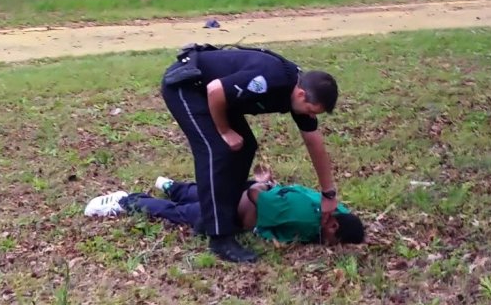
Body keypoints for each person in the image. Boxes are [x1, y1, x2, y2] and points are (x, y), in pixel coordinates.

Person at [159, 44, 341, 262]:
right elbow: (215, 90)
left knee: (245, 147)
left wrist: (328, 193)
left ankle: (214, 217)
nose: (311, 116)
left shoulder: (299, 95)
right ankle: (220, 238)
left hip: (220, 97)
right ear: (302, 94)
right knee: (216, 150)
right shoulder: (271, 79)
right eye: (311, 111)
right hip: (188, 87)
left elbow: (314, 142)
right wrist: (225, 131)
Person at [84, 176, 365, 247]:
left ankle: (172, 185)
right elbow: (257, 197)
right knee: (182, 213)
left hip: (237, 192)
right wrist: (262, 186)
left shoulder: (336, 207)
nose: (329, 245)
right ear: (333, 227)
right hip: (234, 211)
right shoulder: (303, 218)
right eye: (333, 242)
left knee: (199, 193)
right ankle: (125, 201)